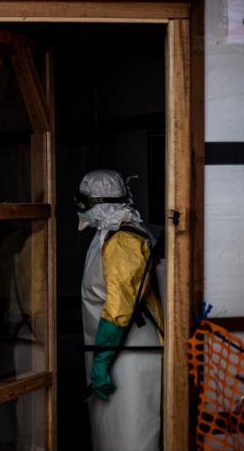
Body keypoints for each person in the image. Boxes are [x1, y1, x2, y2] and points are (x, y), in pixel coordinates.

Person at [77, 169, 163, 451]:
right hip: (112, 351)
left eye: (82, 201)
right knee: (109, 435)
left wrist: (102, 362)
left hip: (129, 354)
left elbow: (119, 307)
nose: (78, 207)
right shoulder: (106, 236)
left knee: (131, 437)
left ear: (95, 203)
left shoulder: (125, 241)